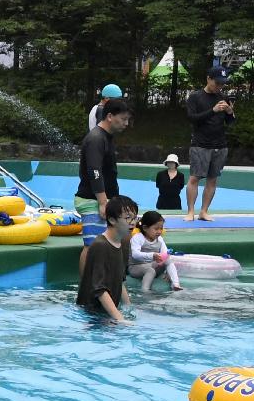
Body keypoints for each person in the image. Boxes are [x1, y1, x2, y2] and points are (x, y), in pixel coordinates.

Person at [74, 99, 132, 276]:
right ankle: (86, 289)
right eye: (123, 119)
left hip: (107, 199)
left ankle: (117, 280)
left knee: (124, 237)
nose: (126, 124)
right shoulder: (96, 138)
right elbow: (94, 171)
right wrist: (102, 202)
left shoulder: (106, 137)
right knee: (92, 245)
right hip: (93, 200)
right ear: (109, 116)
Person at [76, 195, 139, 324]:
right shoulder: (100, 245)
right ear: (112, 219)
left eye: (134, 218)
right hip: (90, 314)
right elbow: (99, 290)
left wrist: (129, 308)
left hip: (107, 312)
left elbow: (120, 280)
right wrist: (120, 319)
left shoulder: (123, 242)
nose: (133, 222)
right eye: (128, 218)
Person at [185, 66, 235, 222]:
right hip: (200, 144)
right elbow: (192, 118)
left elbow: (231, 122)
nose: (220, 86)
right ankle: (190, 211)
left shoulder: (223, 97)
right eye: (217, 82)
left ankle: (204, 211)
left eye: (222, 83)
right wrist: (213, 110)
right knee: (194, 178)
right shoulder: (195, 97)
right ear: (208, 78)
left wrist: (229, 112)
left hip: (220, 144)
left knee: (212, 179)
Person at [128, 210, 182, 291]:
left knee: (168, 261)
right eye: (156, 229)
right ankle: (145, 291)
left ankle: (175, 284)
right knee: (150, 271)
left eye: (161, 228)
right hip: (136, 267)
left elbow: (165, 254)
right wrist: (152, 255)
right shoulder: (138, 238)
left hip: (151, 265)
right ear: (145, 228)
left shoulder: (159, 239)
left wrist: (166, 261)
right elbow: (135, 254)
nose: (159, 231)